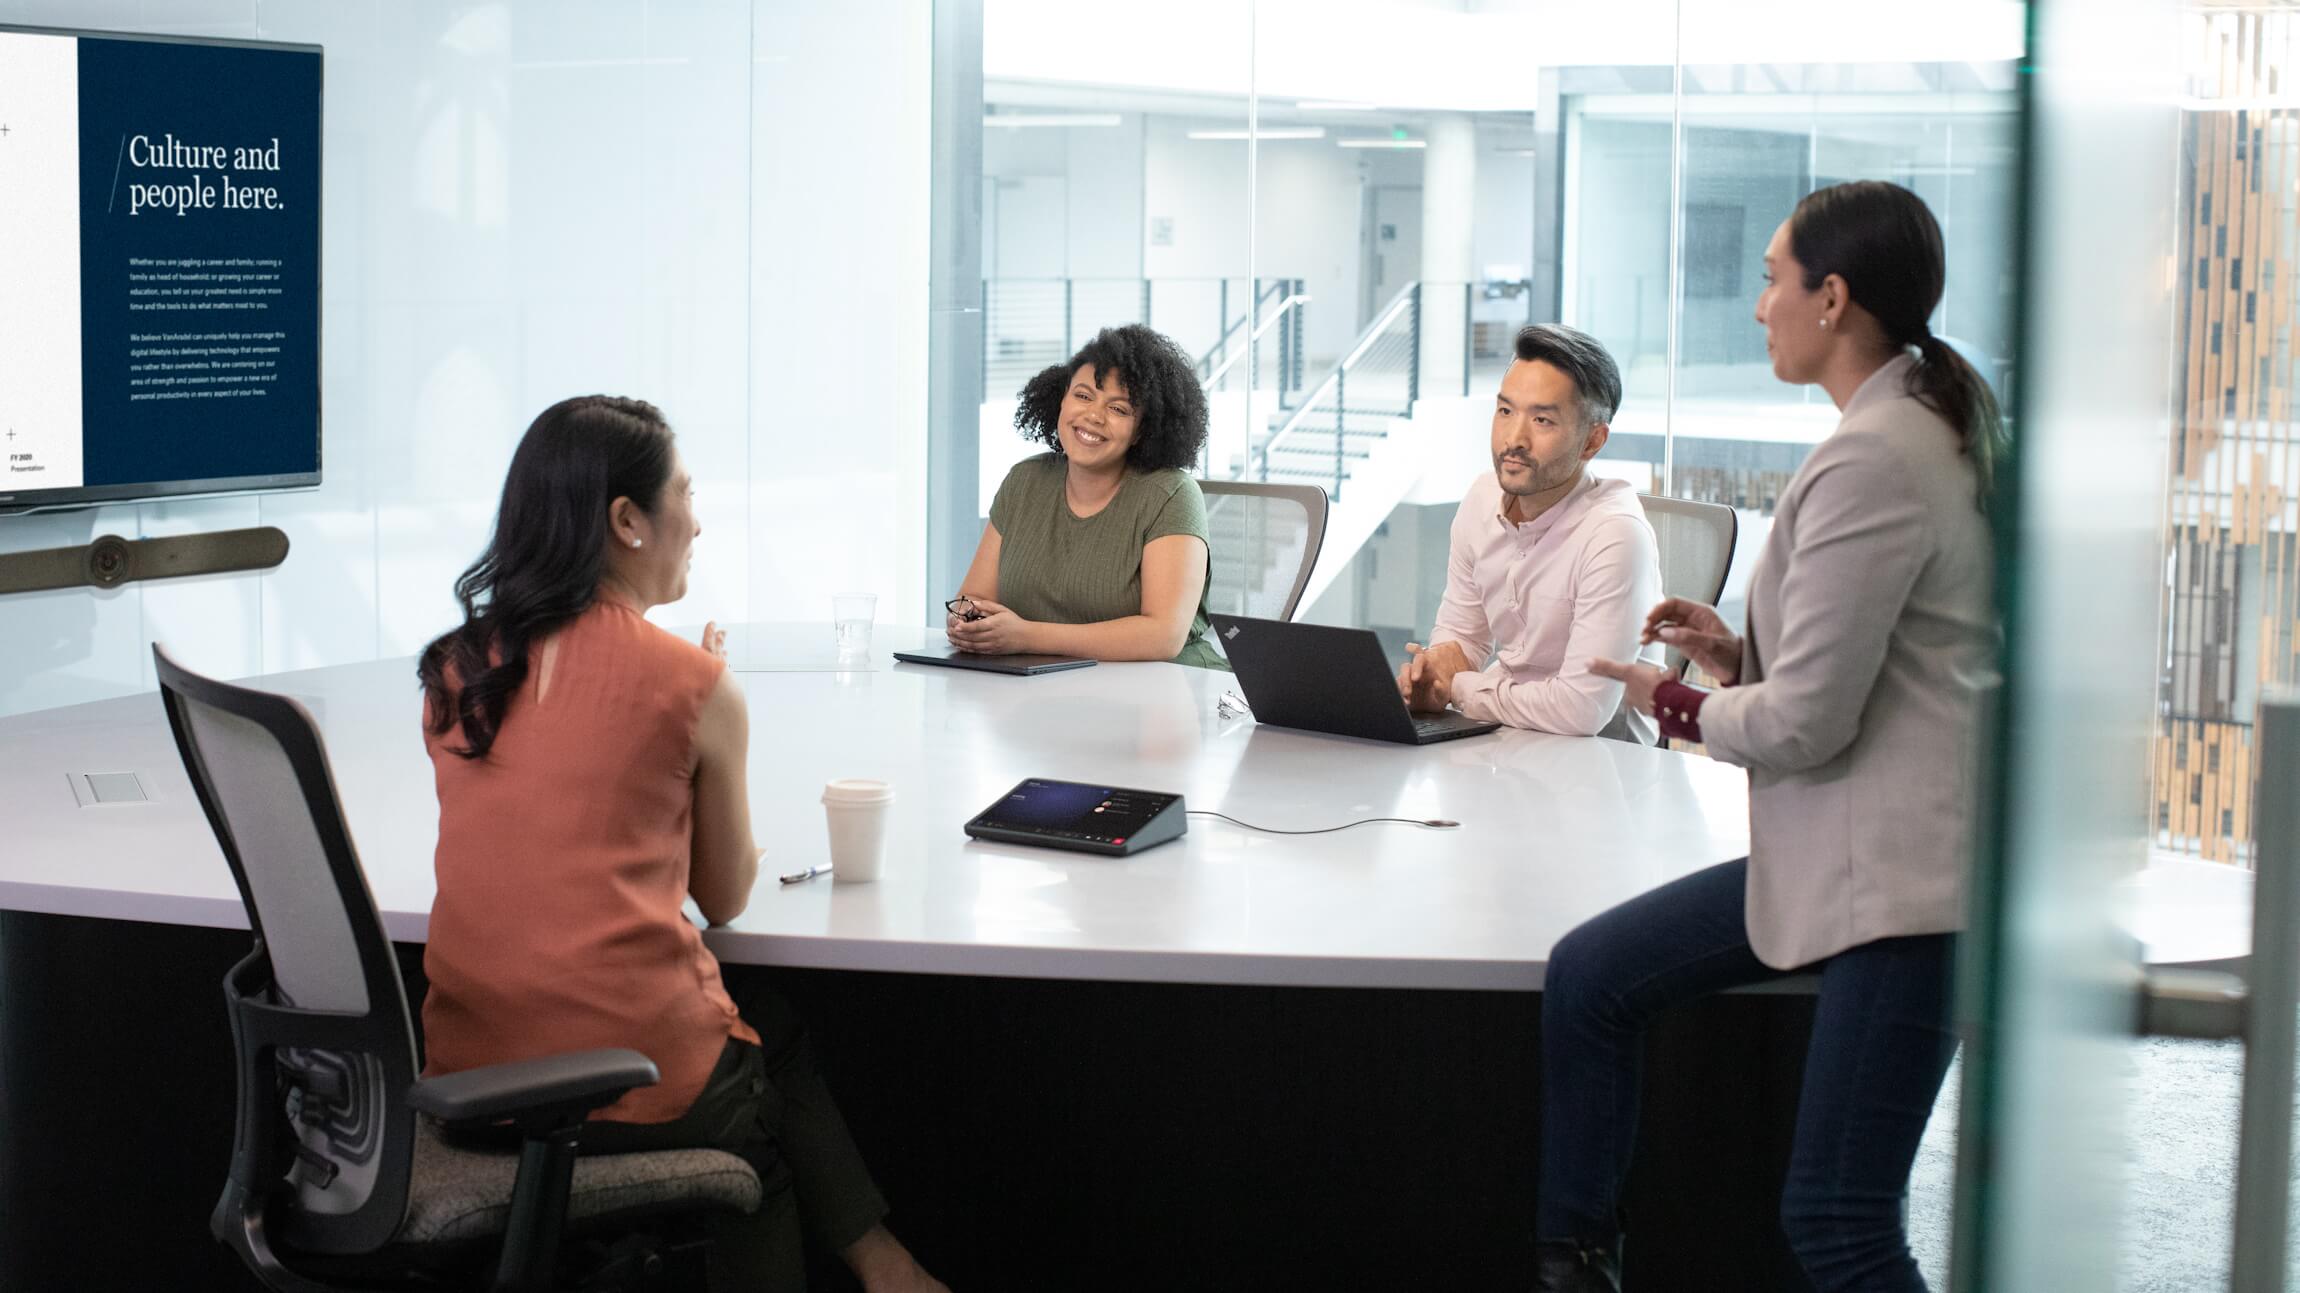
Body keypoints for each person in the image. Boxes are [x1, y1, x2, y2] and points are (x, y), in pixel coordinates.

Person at [1543, 181, 2003, 1292]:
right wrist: (1734, 658)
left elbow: (1803, 724)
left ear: (1831, 298)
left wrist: (1678, 704)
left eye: (1767, 279)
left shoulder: (1875, 453)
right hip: (1853, 846)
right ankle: (1571, 1261)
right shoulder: (1912, 421)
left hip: (1903, 883)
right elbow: (1868, 667)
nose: (1756, 307)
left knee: (1839, 1221)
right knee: (1590, 975)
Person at [416, 396, 947, 1293]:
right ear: (628, 520)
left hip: (470, 1072)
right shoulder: (692, 683)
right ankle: (886, 1267)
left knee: (769, 1030)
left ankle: (886, 1265)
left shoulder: (460, 668)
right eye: (685, 494)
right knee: (752, 1153)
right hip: (625, 1074)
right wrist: (708, 712)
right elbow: (728, 896)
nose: (696, 520)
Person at [1395, 323, 1664, 742]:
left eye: (1541, 420)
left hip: (1603, 770)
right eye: (1505, 411)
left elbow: (1581, 711)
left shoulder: (1616, 536)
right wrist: (1435, 668)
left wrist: (1459, 687)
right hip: (1507, 744)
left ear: (1592, 442)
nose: (1513, 439)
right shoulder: (1482, 498)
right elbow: (1463, 633)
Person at [950, 323, 1224, 669]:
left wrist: (1025, 636)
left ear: (1144, 429)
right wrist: (967, 621)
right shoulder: (1025, 481)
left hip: (1164, 693)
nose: (1093, 416)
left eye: (1118, 409)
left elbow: (1163, 634)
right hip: (1046, 689)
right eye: (1082, 395)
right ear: (1061, 399)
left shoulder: (1171, 495)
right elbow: (973, 597)